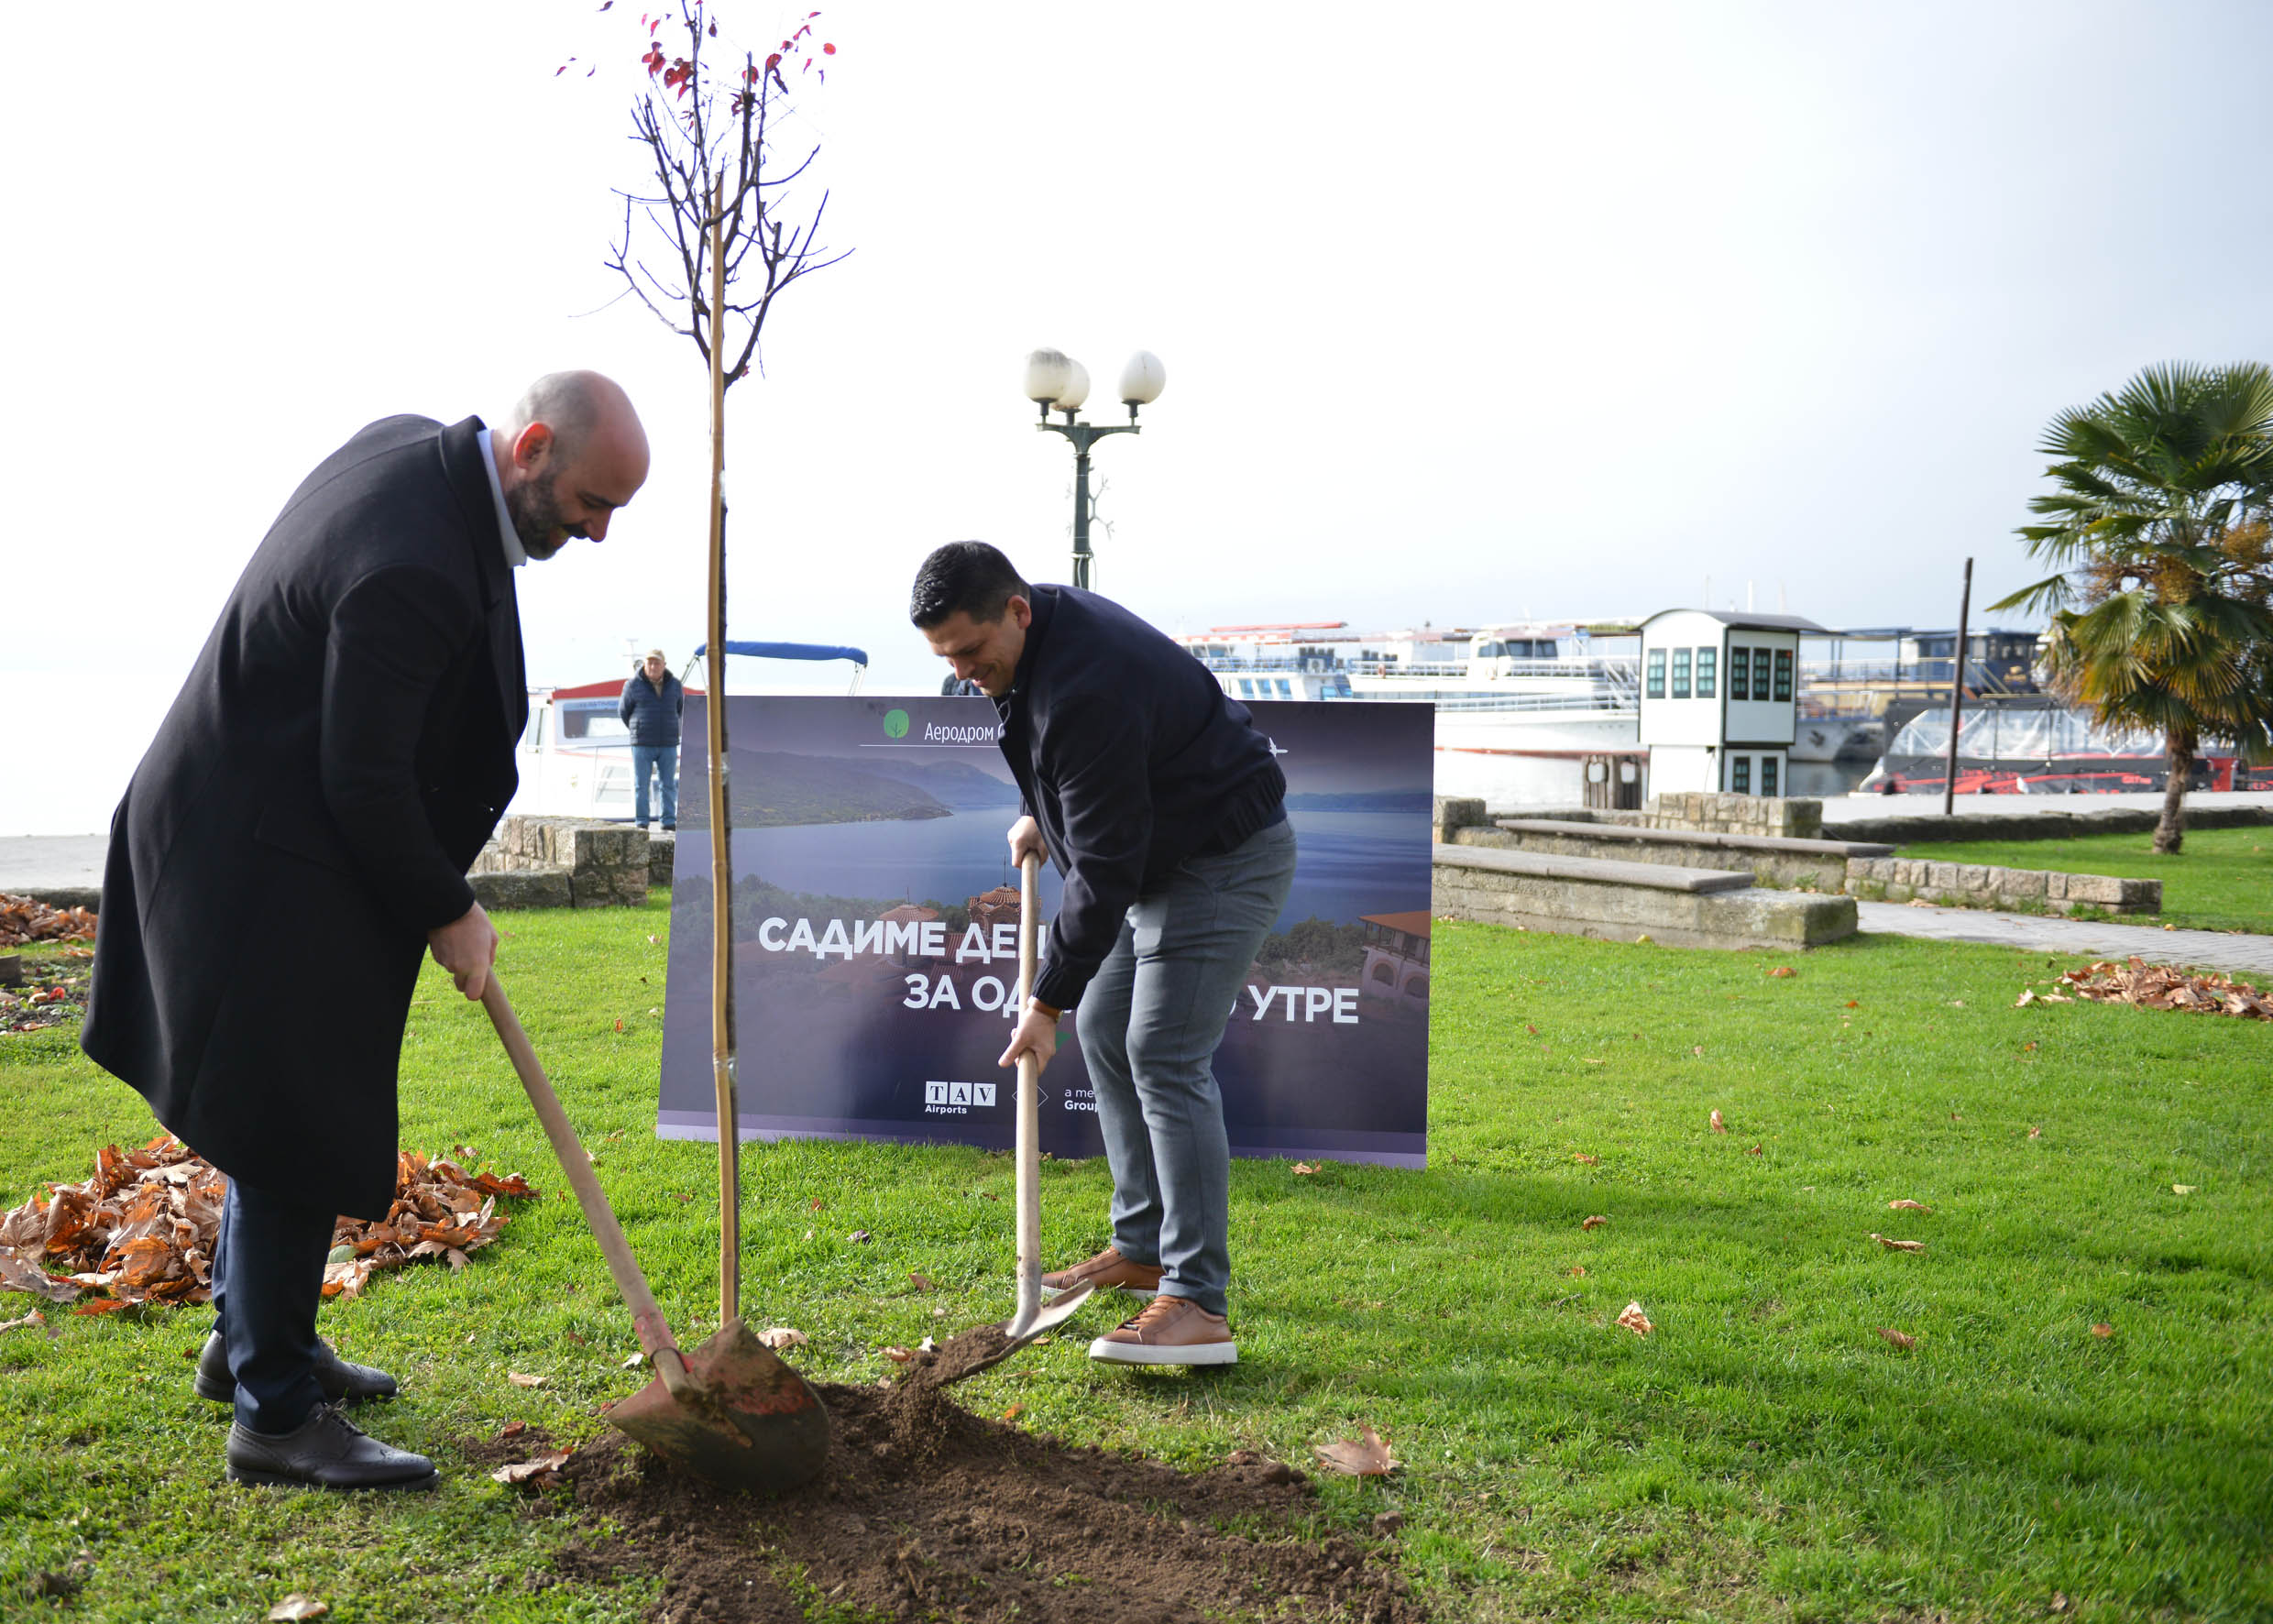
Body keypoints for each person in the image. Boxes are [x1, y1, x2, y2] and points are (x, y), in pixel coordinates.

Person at [82, 371, 650, 1490]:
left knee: (278, 1109)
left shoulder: (421, 458)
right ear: (531, 445)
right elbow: (365, 777)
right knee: (294, 1117)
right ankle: (277, 1415)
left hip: (277, 839)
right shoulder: (413, 560)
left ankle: (247, 1341)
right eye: (591, 501)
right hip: (254, 854)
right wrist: (450, 907)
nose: (597, 530)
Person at [909, 542, 1296, 1367]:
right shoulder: (1030, 639)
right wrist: (1038, 817)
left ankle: (1196, 1301)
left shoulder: (1090, 678)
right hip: (1163, 854)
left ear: (1015, 611)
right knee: (1112, 1032)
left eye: (971, 653)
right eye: (948, 660)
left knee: (1163, 1051)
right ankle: (1145, 1244)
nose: (965, 671)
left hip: (1223, 859)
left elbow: (1108, 865)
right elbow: (1049, 753)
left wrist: (1043, 1004)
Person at [619, 647, 684, 829]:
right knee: (641, 785)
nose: (653, 666)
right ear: (645, 664)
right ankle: (642, 822)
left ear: (664, 665)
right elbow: (624, 711)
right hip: (642, 743)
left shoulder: (675, 685)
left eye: (656, 663)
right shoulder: (632, 685)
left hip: (668, 743)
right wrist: (637, 728)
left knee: (668, 784)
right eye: (649, 662)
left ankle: (669, 821)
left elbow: (680, 709)